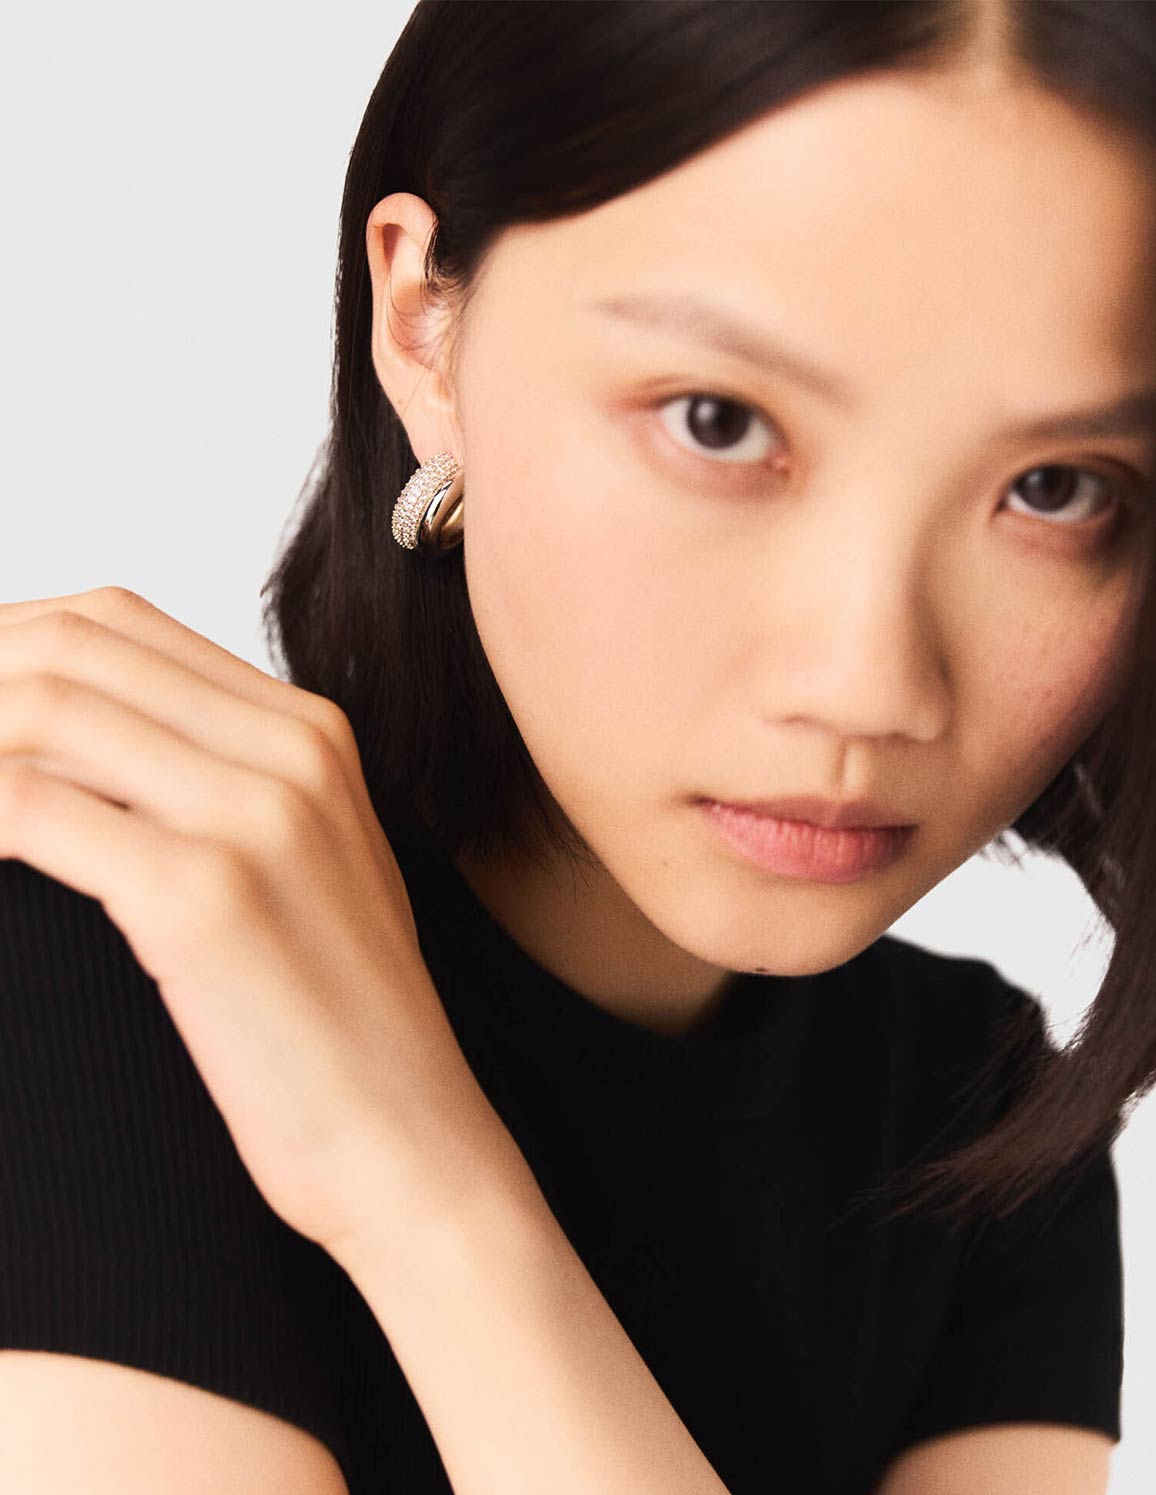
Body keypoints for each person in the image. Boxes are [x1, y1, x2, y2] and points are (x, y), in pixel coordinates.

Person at [1, 0, 1152, 1490]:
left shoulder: (978, 1132)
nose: (870, 685)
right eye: (718, 421)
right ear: (424, 326)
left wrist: (425, 1181)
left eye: (1058, 488)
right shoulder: (98, 952)